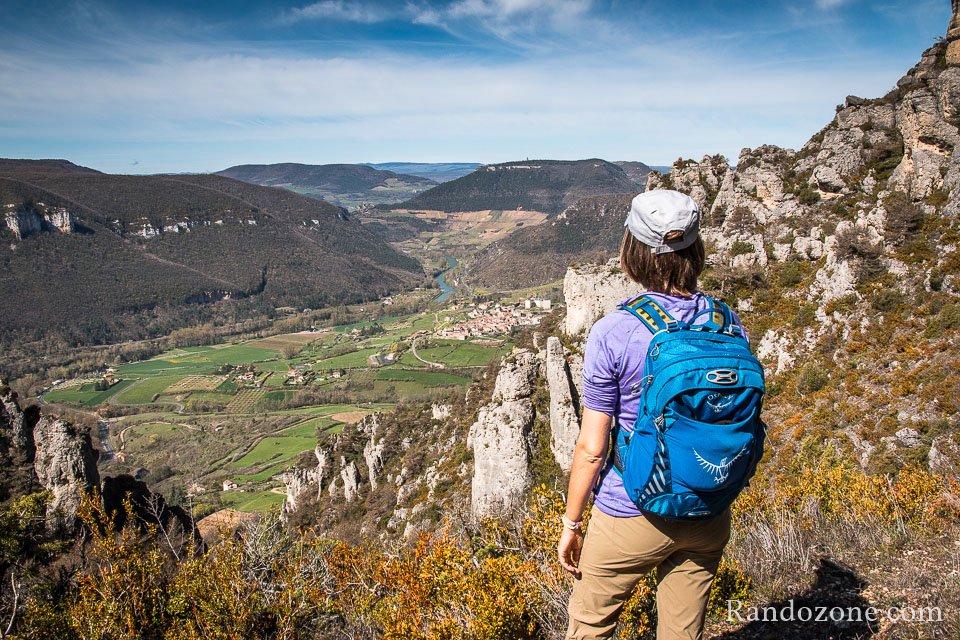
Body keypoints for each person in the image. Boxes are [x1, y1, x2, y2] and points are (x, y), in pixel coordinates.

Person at [558, 189, 747, 640]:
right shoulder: (726, 322)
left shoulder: (614, 332)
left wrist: (572, 523)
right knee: (683, 632)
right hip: (708, 509)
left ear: (633, 253)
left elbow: (591, 449)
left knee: (590, 626)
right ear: (695, 250)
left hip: (631, 511)